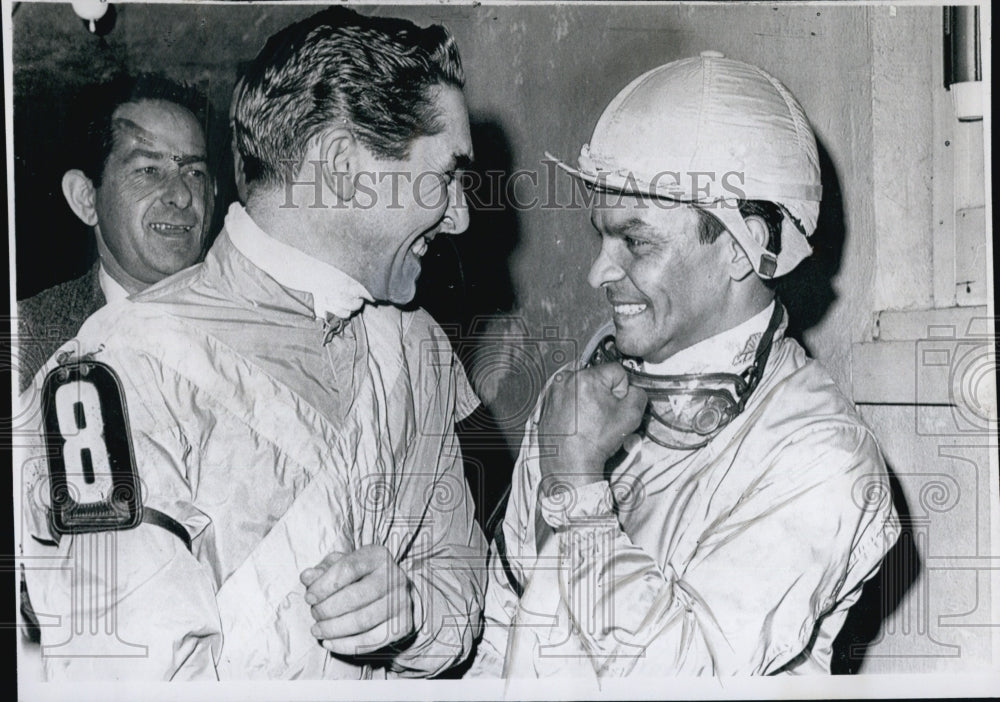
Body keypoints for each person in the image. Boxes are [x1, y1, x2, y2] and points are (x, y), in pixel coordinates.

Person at [18, 7, 484, 680]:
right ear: (344, 166)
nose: (463, 216)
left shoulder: (416, 350)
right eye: (447, 173)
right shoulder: (110, 374)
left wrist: (413, 616)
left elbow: (465, 584)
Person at [471, 52, 900, 678]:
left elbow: (681, 682)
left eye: (636, 242)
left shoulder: (822, 458)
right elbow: (502, 633)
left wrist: (583, 487)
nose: (598, 273)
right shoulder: (578, 404)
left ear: (736, 248)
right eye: (601, 236)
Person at [16, 73, 215, 393]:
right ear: (85, 197)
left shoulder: (253, 324)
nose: (182, 196)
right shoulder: (29, 338)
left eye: (194, 172)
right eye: (149, 171)